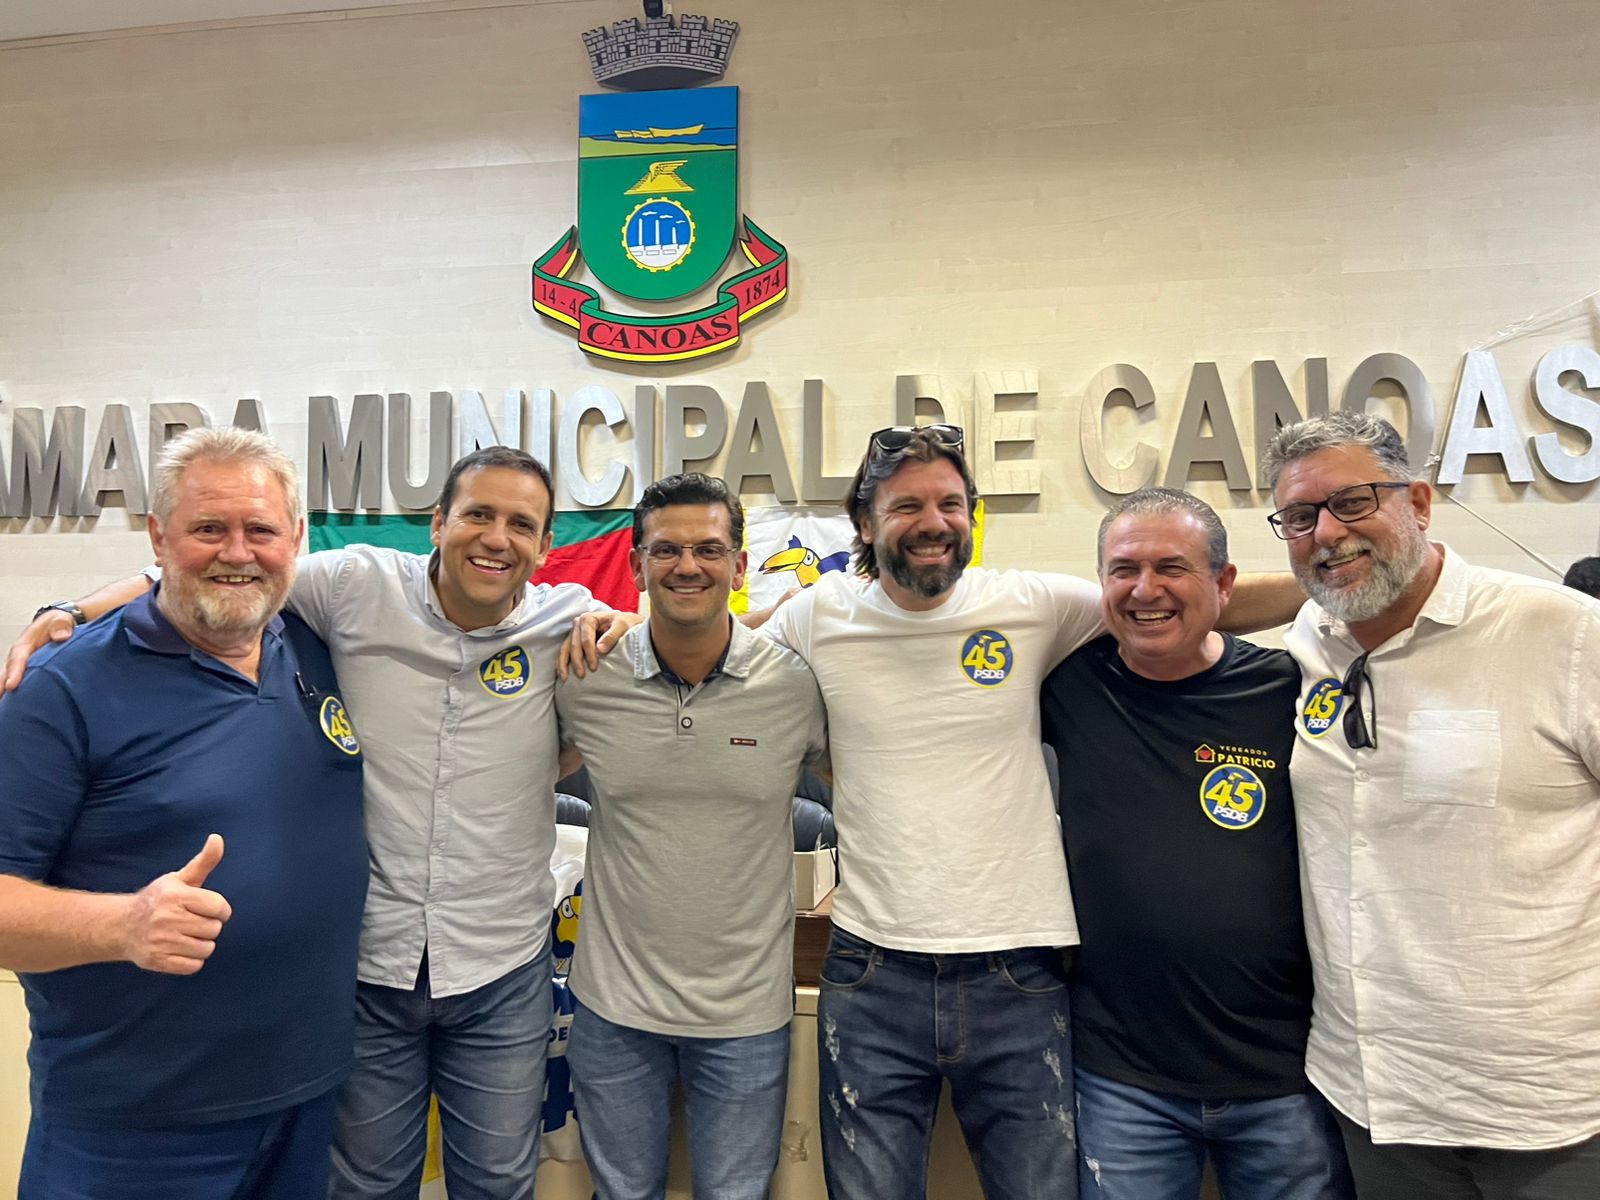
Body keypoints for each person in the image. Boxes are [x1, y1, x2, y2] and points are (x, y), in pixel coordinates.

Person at [3, 445, 621, 1200]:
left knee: (495, 1181)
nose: (240, 553)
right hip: (179, 1093)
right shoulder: (351, 590)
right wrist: (69, 613)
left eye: (520, 524)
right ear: (437, 523)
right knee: (371, 1186)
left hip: (405, 1026)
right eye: (478, 515)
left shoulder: (557, 625)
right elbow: (209, 575)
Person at [735, 425, 1303, 1200]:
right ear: (863, 522)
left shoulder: (1034, 605)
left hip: (1020, 978)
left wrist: (1333, 580)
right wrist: (617, 628)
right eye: (907, 506)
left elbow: (1194, 603)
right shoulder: (819, 614)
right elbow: (723, 647)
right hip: (871, 974)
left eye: (950, 503)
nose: (934, 522)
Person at [0, 427, 369, 1199]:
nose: (238, 552)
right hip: (132, 1130)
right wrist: (122, 925)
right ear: (159, 537)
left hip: (306, 1105)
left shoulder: (315, 645)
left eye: (260, 529)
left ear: (297, 538)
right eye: (208, 529)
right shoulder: (61, 689)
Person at [1261, 411, 1600, 1199]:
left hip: (1545, 1105)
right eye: (1300, 517)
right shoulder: (1316, 635)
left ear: (1418, 502)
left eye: (1353, 502)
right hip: (1372, 1095)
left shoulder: (1564, 634)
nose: (1327, 533)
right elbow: (1211, 598)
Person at [1040, 487, 1351, 1200]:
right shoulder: (1066, 684)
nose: (1144, 589)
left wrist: (1318, 581)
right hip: (1122, 1079)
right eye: (1124, 569)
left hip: (1288, 1073)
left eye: (1171, 567)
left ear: (1225, 582)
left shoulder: (1290, 691)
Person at [553, 472, 827, 1200]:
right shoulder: (585, 674)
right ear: (636, 564)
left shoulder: (796, 684)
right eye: (666, 550)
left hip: (747, 1016)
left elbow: (869, 788)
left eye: (709, 549)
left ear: (739, 566)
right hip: (612, 1011)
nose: (687, 566)